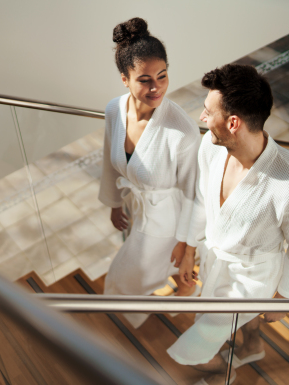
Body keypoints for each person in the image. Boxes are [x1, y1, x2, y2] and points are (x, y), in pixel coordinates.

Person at [166, 64, 289, 385]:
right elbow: (202, 199)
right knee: (242, 321)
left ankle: (223, 374)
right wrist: (189, 246)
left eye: (208, 112)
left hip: (253, 278)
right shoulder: (211, 147)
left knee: (198, 342)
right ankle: (252, 347)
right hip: (216, 260)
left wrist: (286, 300)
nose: (203, 119)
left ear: (232, 122)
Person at [98, 17, 201, 329]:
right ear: (125, 79)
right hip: (137, 210)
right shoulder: (115, 109)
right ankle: (186, 286)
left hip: (167, 220)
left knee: (123, 278)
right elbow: (108, 159)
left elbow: (196, 195)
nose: (156, 87)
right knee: (149, 268)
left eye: (162, 76)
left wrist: (187, 249)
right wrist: (115, 203)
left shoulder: (181, 131)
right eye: (144, 79)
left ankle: (124, 325)